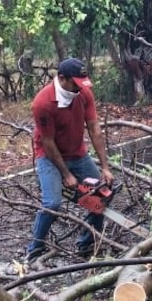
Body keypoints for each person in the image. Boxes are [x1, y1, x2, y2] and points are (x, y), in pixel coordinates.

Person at [26, 57, 114, 262]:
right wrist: (66, 174)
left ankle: (86, 243)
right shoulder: (43, 103)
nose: (78, 88)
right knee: (52, 202)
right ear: (62, 78)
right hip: (49, 156)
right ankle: (34, 250)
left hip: (77, 153)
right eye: (75, 83)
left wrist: (105, 167)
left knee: (100, 195)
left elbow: (94, 128)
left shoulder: (84, 94)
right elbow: (47, 142)